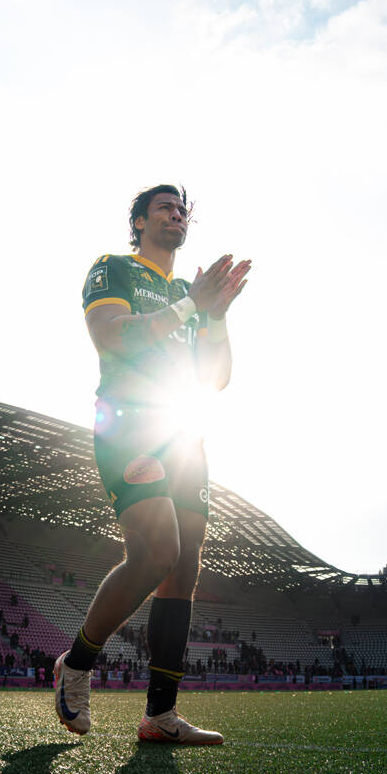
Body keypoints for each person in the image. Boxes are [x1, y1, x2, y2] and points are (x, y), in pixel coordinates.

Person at [54, 183, 250, 744]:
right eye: (165, 207)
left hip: (183, 433)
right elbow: (111, 337)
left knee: (184, 566)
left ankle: (160, 715)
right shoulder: (113, 267)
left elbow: (216, 377)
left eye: (182, 209)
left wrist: (216, 315)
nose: (177, 214)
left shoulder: (192, 291)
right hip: (130, 422)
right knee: (157, 551)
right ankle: (76, 664)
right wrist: (191, 306)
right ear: (139, 221)